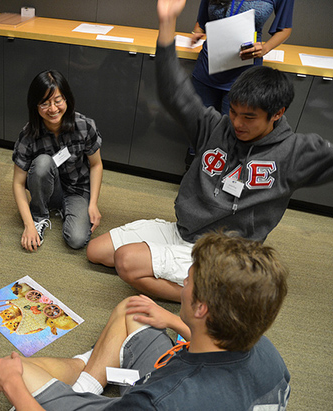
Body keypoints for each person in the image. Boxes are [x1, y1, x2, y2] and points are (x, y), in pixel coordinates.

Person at [87, 0, 332, 302]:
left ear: (277, 113)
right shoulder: (215, 127)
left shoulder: (295, 153)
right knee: (95, 252)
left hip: (226, 251)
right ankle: (192, 274)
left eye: (249, 117)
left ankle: (211, 295)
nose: (238, 123)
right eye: (235, 112)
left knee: (126, 261)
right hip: (185, 229)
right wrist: (166, 23)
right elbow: (174, 93)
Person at [0, 231, 290, 410]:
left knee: (17, 371)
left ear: (202, 309)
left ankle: (85, 379)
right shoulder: (268, 355)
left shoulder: (157, 402)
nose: (181, 286)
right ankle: (89, 376)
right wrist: (173, 320)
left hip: (150, 398)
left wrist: (12, 385)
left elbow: (164, 399)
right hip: (186, 384)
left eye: (187, 282)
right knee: (133, 310)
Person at [12, 70, 103, 251]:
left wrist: (93, 204)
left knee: (77, 240)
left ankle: (66, 210)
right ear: (35, 106)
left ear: (67, 99)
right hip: (47, 188)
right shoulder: (28, 134)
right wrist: (29, 224)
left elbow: (96, 165)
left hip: (77, 190)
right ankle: (40, 214)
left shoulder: (84, 126)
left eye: (58, 101)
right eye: (44, 103)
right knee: (43, 162)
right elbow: (17, 184)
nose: (53, 109)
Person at [191, 0, 294, 115]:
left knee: (231, 129)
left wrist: (265, 48)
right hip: (207, 69)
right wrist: (197, 32)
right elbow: (201, 22)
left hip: (243, 76)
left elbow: (284, 29)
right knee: (198, 126)